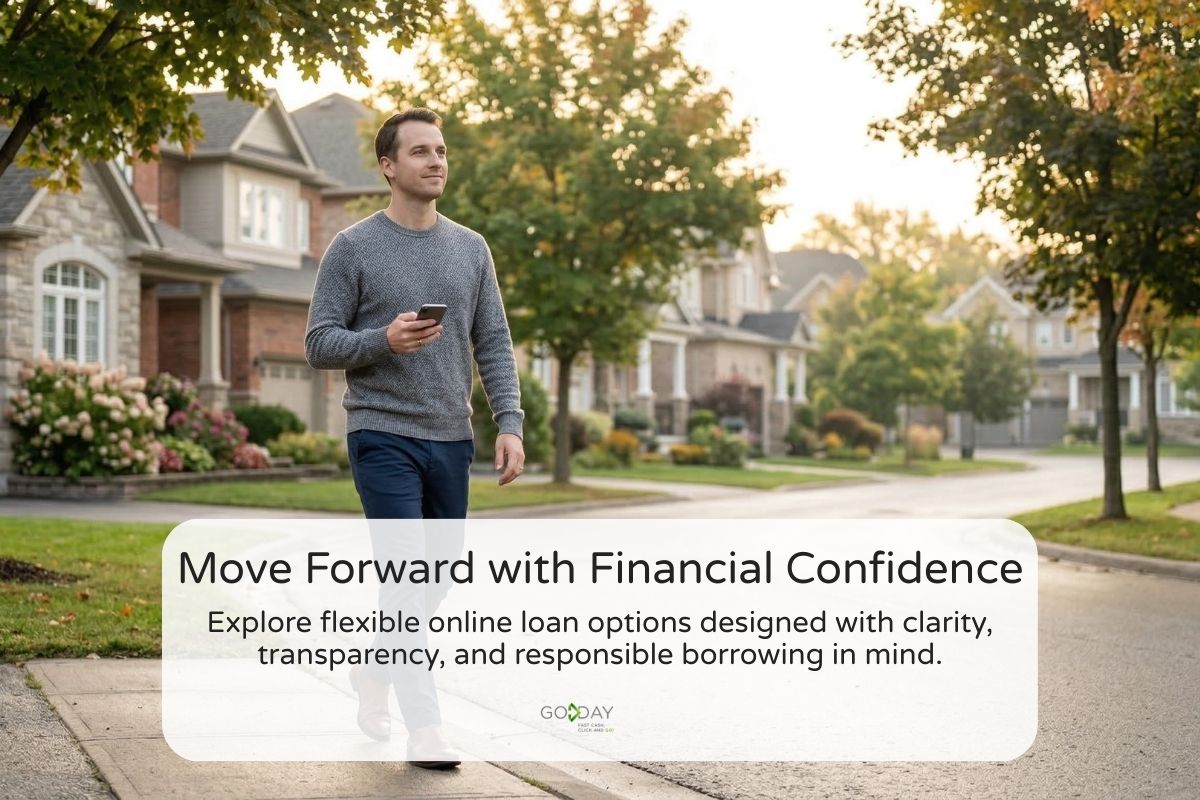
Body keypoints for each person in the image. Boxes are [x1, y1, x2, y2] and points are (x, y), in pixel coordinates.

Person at [304, 107, 526, 769]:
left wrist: (508, 423)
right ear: (389, 166)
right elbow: (318, 343)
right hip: (381, 432)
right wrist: (382, 339)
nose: (437, 161)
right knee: (404, 573)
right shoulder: (353, 248)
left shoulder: (470, 248)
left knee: (437, 571)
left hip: (450, 436)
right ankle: (424, 725)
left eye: (441, 150)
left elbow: (494, 343)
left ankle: (374, 669)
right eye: (421, 152)